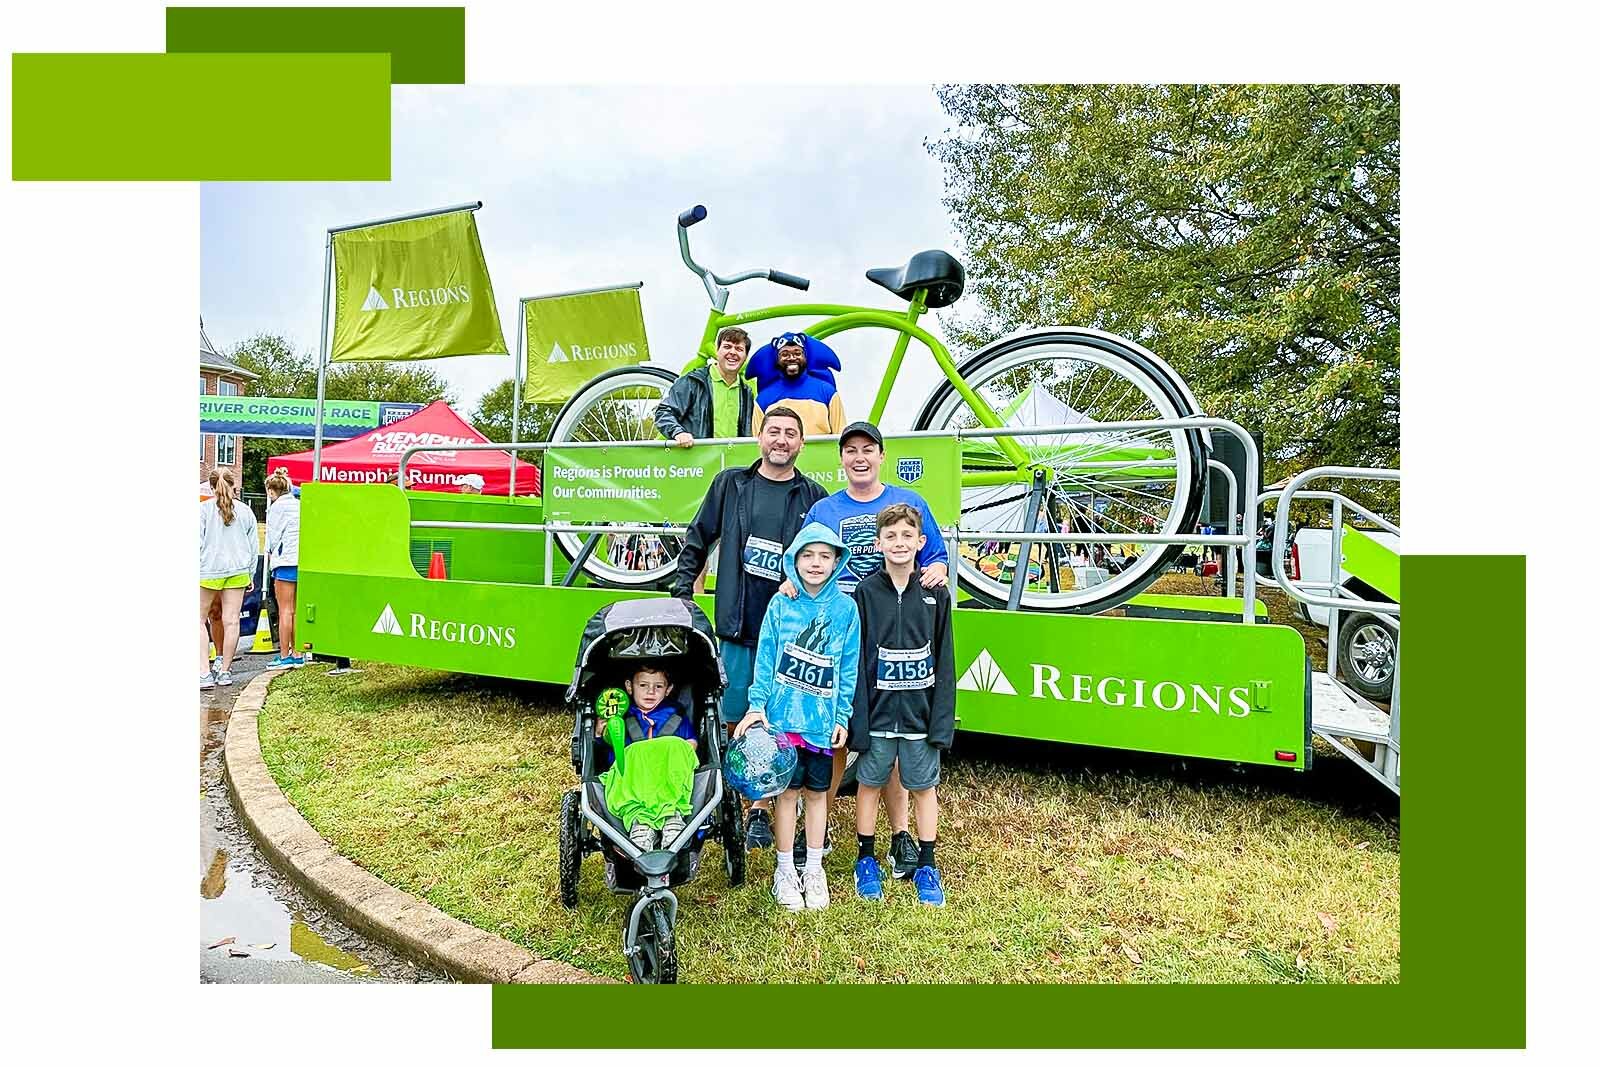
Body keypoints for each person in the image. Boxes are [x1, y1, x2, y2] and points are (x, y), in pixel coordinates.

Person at [780, 419, 950, 877]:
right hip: (834, 631)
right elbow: (801, 559)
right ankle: (819, 828)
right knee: (831, 734)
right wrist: (791, 585)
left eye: (868, 449)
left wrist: (939, 570)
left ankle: (899, 839)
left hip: (892, 635)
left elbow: (934, 554)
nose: (859, 457)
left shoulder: (908, 503)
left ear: (881, 455)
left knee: (889, 740)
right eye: (850, 450)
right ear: (842, 459)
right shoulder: (824, 509)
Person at [672, 406, 826, 850]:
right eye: (774, 431)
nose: (781, 440)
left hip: (790, 634)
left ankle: (760, 810)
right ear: (760, 437)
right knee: (734, 719)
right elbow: (699, 537)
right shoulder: (730, 485)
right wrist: (684, 592)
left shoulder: (812, 496)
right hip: (737, 629)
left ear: (801, 444)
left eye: (790, 434)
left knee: (777, 723)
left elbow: (825, 557)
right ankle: (716, 803)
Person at [735, 523, 859, 911]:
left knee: (817, 796)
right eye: (807, 555)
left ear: (837, 561)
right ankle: (785, 871)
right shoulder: (781, 603)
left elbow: (849, 667)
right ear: (794, 560)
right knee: (786, 795)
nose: (816, 563)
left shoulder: (845, 609)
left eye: (825, 556)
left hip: (821, 724)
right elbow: (766, 659)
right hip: (782, 723)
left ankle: (814, 869)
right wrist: (757, 707)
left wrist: (842, 716)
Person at [849, 504, 956, 906]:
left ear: (921, 542)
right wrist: (858, 717)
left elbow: (945, 660)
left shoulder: (935, 594)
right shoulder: (865, 592)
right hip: (876, 715)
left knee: (923, 787)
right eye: (890, 536)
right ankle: (865, 859)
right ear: (878, 543)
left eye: (907, 536)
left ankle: (927, 863)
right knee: (870, 783)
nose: (899, 543)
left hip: (919, 717)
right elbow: (856, 660)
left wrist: (940, 722)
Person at [596, 665, 699, 851]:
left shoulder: (676, 715)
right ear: (629, 687)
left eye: (658, 687)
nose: (650, 691)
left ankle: (671, 817)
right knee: (631, 753)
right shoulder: (619, 717)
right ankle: (641, 822)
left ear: (668, 690)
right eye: (643, 685)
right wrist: (600, 732)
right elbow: (602, 753)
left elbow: (691, 745)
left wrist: (660, 752)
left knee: (677, 747)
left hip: (666, 775)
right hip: (633, 777)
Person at [199, 468, 258, 689]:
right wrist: (251, 572)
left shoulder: (202, 510)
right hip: (238, 571)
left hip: (208, 570)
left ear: (212, 488)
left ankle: (204, 671)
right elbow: (254, 547)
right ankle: (225, 671)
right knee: (232, 621)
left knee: (199, 619)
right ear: (235, 486)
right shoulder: (246, 512)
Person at [653, 326, 755, 447]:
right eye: (727, 347)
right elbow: (664, 412)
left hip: (733, 462)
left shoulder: (746, 392)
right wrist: (678, 433)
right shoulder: (693, 382)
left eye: (739, 349)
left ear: (745, 356)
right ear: (717, 350)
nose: (732, 352)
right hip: (698, 462)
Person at [745, 332, 846, 437]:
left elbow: (840, 436)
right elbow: (758, 442)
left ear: (805, 357)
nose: (792, 358)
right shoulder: (763, 399)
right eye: (785, 354)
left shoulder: (827, 392)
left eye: (797, 353)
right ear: (777, 360)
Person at [264, 468, 303, 670]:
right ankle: (298, 653)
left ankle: (284, 654)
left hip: (284, 560)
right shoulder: (299, 505)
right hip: (302, 561)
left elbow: (272, 537)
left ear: (272, 490)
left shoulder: (276, 508)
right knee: (296, 610)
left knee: (285, 610)